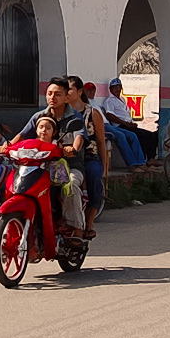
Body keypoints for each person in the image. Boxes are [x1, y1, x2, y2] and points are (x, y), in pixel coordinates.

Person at [0, 77, 85, 238]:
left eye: (58, 94)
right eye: (49, 93)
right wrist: (7, 146)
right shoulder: (39, 116)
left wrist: (72, 148)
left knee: (71, 186)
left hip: (68, 166)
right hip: (40, 166)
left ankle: (76, 228)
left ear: (67, 97)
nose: (52, 97)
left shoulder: (75, 118)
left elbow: (79, 137)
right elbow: (22, 134)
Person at [66, 75, 108, 239]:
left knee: (94, 178)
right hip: (65, 157)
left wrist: (104, 166)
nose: (66, 92)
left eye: (69, 88)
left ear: (79, 91)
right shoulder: (60, 112)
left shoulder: (92, 113)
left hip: (89, 157)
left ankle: (89, 223)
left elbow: (101, 142)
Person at [102, 78, 158, 164]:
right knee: (141, 135)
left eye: (118, 87)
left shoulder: (123, 99)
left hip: (128, 124)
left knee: (152, 135)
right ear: (110, 89)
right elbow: (110, 116)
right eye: (114, 87)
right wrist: (126, 124)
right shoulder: (109, 101)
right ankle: (143, 160)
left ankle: (151, 158)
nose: (117, 89)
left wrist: (131, 123)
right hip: (120, 126)